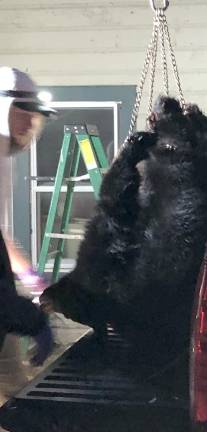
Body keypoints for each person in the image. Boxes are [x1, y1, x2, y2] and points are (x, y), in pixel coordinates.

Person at [0, 66, 56, 366]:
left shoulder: (3, 156)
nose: (30, 122)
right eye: (23, 113)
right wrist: (32, 320)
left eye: (34, 116)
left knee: (12, 384)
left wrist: (33, 279)